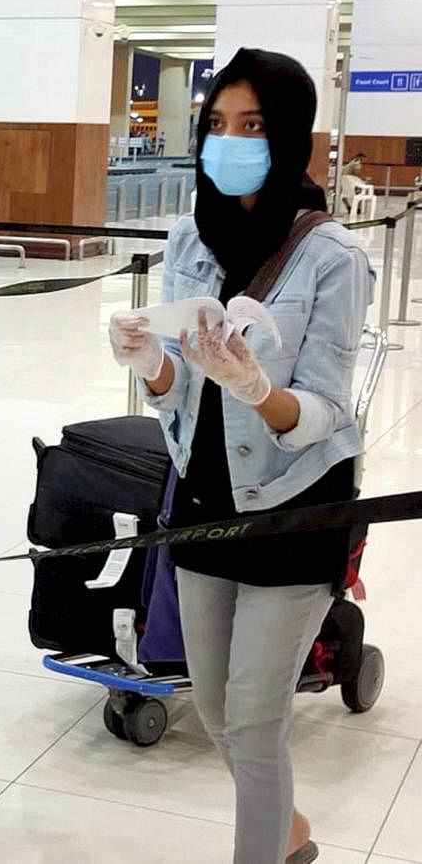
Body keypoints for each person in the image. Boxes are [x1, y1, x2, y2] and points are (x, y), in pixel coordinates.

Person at [108, 48, 372, 864]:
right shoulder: (190, 234)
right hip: (200, 503)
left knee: (256, 724)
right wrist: (152, 364)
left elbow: (326, 409)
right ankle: (288, 832)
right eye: (216, 124)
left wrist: (259, 389)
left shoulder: (333, 257)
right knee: (218, 711)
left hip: (294, 506)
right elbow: (179, 389)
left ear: (289, 134)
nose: (231, 142)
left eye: (252, 125)